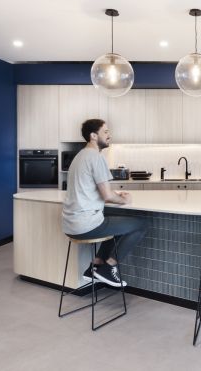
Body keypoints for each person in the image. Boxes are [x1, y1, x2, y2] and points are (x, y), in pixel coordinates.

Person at [62, 119, 147, 287]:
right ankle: (109, 268)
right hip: (85, 225)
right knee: (142, 224)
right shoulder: (95, 157)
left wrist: (115, 194)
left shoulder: (80, 156)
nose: (110, 135)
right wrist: (124, 199)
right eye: (106, 132)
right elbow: (107, 196)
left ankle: (96, 265)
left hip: (70, 224)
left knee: (114, 219)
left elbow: (93, 189)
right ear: (94, 136)